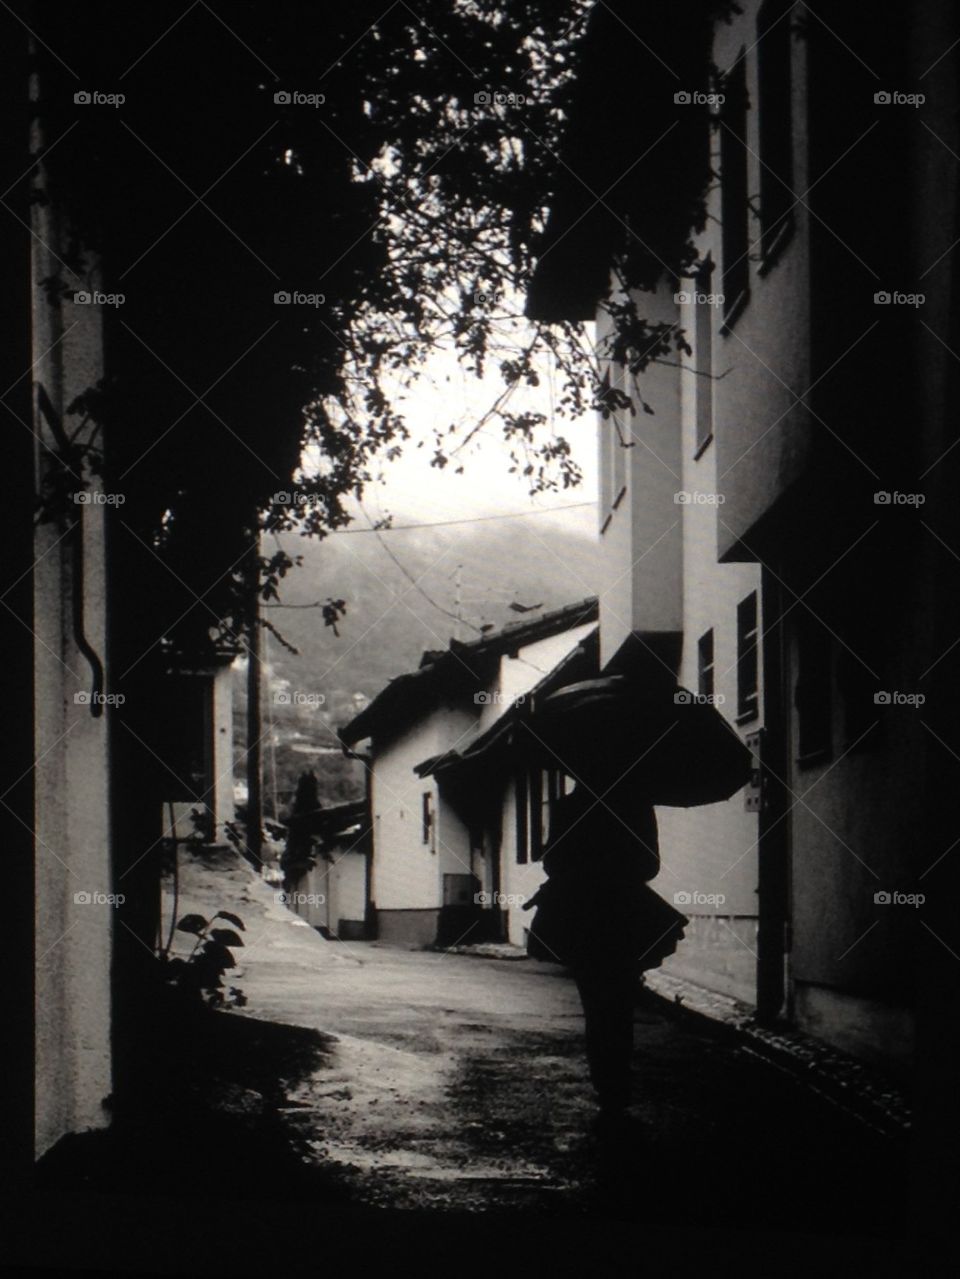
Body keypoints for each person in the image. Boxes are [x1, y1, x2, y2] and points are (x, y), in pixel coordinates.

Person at [523, 771, 687, 1113]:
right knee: (619, 1002)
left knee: (595, 1003)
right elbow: (649, 865)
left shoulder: (567, 807)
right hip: (625, 914)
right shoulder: (635, 804)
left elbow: (553, 863)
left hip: (581, 914)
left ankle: (607, 1084)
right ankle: (616, 1084)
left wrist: (583, 867)